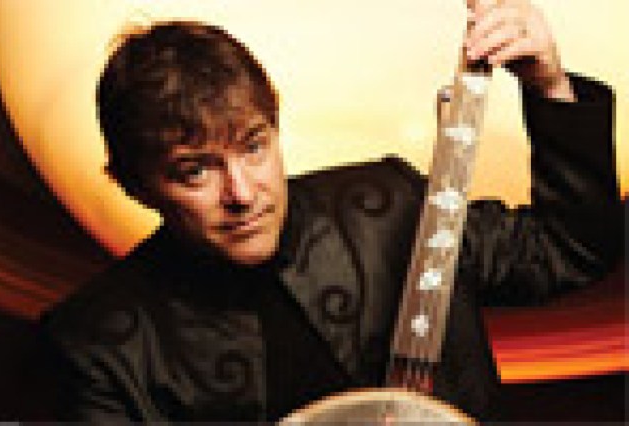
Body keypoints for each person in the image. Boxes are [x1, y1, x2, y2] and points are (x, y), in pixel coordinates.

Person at [42, 0, 623, 422]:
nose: (241, 193)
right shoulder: (98, 348)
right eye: (196, 170)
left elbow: (570, 249)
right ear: (135, 186)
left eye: (253, 145)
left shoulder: (390, 207)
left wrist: (547, 83)